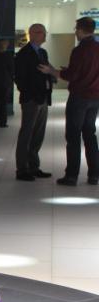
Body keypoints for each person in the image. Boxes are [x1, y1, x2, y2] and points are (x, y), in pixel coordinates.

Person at [39, 17, 99, 186]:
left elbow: (72, 76)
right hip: (95, 98)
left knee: (73, 136)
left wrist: (51, 71)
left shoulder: (79, 50)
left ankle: (72, 176)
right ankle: (94, 175)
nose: (75, 32)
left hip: (79, 98)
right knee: (90, 135)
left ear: (81, 30)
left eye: (76, 29)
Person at [14, 24, 55, 181]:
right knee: (27, 133)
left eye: (44, 32)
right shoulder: (24, 54)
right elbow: (20, 78)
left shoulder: (42, 52)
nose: (44, 35)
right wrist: (31, 94)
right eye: (40, 32)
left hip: (43, 98)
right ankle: (22, 169)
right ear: (31, 34)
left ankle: (34, 166)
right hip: (31, 99)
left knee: (38, 134)